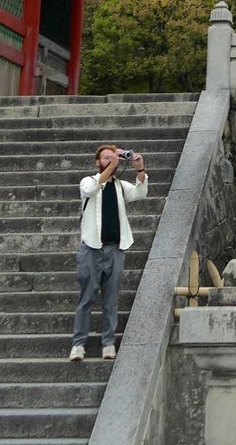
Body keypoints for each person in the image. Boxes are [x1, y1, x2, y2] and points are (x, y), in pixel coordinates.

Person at [69, 144, 148, 361]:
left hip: (115, 249)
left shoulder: (120, 186)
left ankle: (108, 343)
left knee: (111, 299)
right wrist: (111, 164)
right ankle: (78, 344)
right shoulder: (88, 181)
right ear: (98, 161)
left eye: (112, 157)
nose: (109, 160)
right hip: (92, 249)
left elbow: (141, 193)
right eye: (105, 158)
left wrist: (140, 169)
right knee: (87, 297)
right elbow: (91, 189)